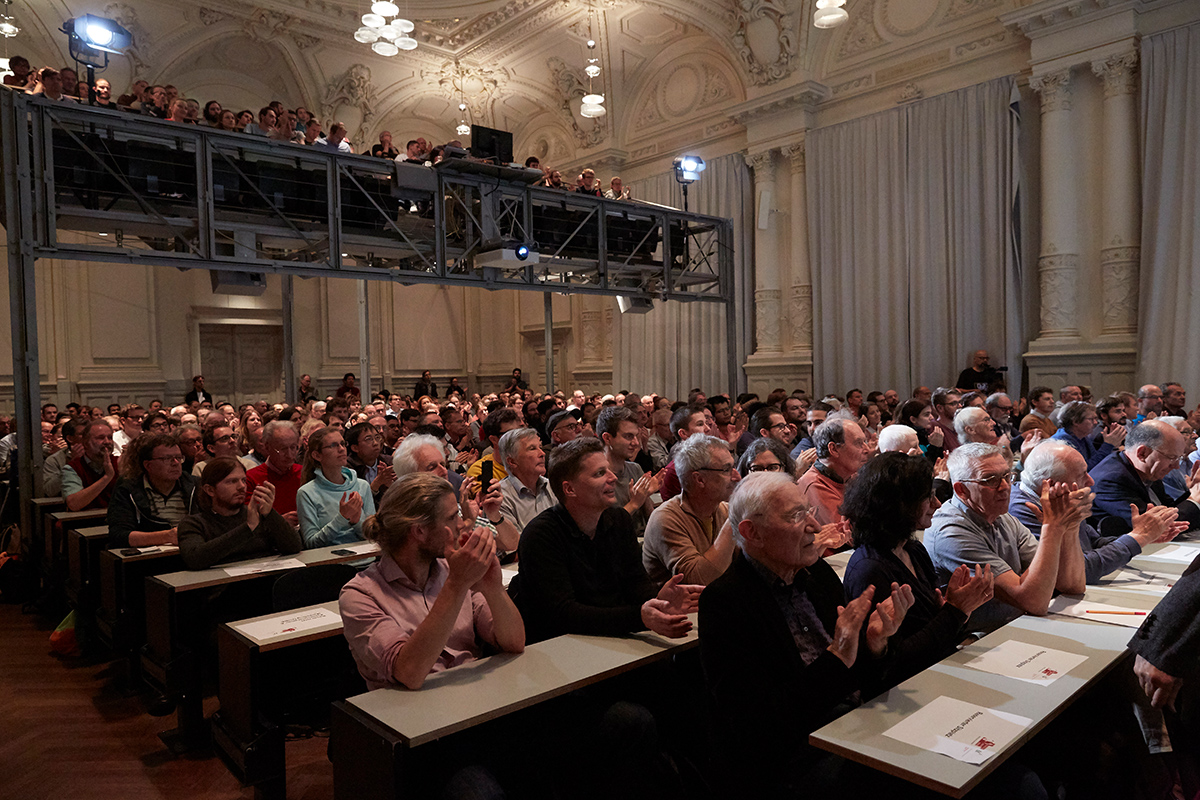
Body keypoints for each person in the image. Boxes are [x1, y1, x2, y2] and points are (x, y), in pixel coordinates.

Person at [698, 472, 914, 796]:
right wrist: (838, 655)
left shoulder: (816, 573)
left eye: (808, 512)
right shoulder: (725, 602)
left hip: (851, 725)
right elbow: (758, 726)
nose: (814, 527)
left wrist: (874, 643)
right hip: (792, 757)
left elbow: (857, 677)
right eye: (796, 517)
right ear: (751, 532)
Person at [340, 471, 525, 690]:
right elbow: (409, 673)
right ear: (419, 531)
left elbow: (514, 642)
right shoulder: (360, 594)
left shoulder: (452, 571)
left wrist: (493, 586)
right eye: (451, 518)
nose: (462, 524)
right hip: (410, 714)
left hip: (472, 696)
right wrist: (456, 585)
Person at [513, 438, 702, 644]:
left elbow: (635, 582)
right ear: (570, 489)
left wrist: (658, 600)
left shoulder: (618, 519)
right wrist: (640, 616)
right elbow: (563, 613)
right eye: (599, 473)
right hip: (561, 645)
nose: (613, 478)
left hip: (612, 633)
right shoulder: (540, 535)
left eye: (609, 470)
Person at [842, 453, 994, 687]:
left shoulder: (912, 549)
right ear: (900, 505)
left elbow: (935, 631)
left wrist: (954, 608)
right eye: (928, 497)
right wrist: (956, 611)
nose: (937, 504)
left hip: (935, 674)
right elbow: (895, 664)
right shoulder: (870, 570)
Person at [923, 443, 1089, 634]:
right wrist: (1052, 529)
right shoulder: (950, 532)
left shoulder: (1002, 516)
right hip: (977, 643)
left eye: (1007, 476)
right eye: (990, 480)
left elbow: (1072, 585)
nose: (1004, 487)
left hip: (1018, 627)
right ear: (961, 490)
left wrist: (1071, 526)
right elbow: (1033, 601)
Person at [1009, 440, 1186, 583]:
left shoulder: (1062, 499)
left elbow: (1094, 543)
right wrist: (1138, 538)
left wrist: (1143, 535)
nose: (1091, 481)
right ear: (1052, 485)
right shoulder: (1024, 510)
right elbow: (1079, 570)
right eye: (1082, 475)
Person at [642, 434, 738, 585]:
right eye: (726, 469)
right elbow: (697, 580)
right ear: (699, 479)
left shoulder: (723, 509)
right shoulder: (665, 518)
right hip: (682, 607)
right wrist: (735, 517)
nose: (736, 476)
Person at [177, 457, 302, 570]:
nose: (241, 486)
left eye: (243, 480)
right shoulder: (194, 523)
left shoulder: (258, 514)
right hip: (223, 589)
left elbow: (294, 547)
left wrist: (270, 514)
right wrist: (247, 528)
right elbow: (195, 559)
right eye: (231, 481)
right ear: (210, 490)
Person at [1088, 419, 1200, 534]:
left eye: (1179, 458)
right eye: (1172, 458)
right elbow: (1155, 527)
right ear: (1142, 453)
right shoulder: (1111, 479)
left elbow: (1169, 509)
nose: (1176, 466)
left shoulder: (1146, 468)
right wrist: (1194, 500)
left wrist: (1194, 492)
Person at [107, 433, 200, 548]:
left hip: (193, 551)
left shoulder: (195, 485)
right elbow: (119, 535)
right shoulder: (129, 489)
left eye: (179, 458)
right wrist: (167, 536)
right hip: (148, 559)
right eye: (167, 459)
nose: (175, 463)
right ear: (148, 465)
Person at [296, 426, 376, 548]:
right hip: (330, 563)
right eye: (333, 445)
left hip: (365, 560)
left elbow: (374, 536)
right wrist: (342, 518)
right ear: (317, 455)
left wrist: (356, 522)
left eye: (343, 444)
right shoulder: (307, 493)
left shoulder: (362, 485)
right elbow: (311, 543)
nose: (341, 449)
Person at [796, 417, 869, 527]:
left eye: (865, 441)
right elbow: (846, 537)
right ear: (834, 449)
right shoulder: (813, 484)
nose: (867, 449)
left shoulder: (849, 475)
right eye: (858, 443)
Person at [244, 420, 304, 527]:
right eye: (283, 449)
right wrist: (278, 521)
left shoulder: (303, 473)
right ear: (267, 447)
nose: (289, 455)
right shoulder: (251, 478)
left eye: (293, 447)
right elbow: (248, 521)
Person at [495, 427, 555, 533]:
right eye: (532, 448)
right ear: (512, 461)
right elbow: (513, 546)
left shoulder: (552, 486)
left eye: (540, 447)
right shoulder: (501, 498)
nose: (542, 453)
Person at [62, 419, 120, 510]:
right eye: (100, 438)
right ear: (86, 443)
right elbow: (73, 504)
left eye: (110, 437)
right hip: (84, 522)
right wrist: (107, 477)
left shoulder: (120, 463)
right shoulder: (73, 468)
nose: (107, 442)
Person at [1051, 400, 1125, 469]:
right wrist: (1108, 444)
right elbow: (1086, 468)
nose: (1095, 422)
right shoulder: (1064, 442)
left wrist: (1113, 446)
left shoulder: (1082, 436)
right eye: (1091, 419)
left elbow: (1094, 459)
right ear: (1075, 421)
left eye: (1096, 419)